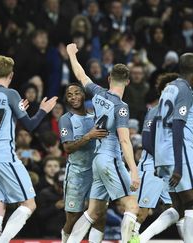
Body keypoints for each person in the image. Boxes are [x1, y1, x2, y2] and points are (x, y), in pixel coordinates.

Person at [0, 55, 57, 243]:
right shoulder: (11, 94)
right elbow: (29, 126)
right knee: (29, 204)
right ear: (11, 75)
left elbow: (0, 116)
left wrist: (15, 111)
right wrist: (43, 110)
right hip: (4, 155)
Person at [66, 43, 140, 243]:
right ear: (128, 82)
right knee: (132, 206)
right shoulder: (121, 107)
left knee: (93, 212)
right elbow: (125, 140)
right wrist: (133, 169)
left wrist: (71, 54)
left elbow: (81, 75)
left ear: (109, 79)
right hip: (110, 158)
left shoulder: (98, 93)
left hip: (97, 160)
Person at [154, 53, 193, 243]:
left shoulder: (168, 88)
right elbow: (177, 126)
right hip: (179, 151)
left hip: (163, 151)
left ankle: (140, 239)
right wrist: (178, 166)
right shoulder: (184, 90)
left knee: (178, 207)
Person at [59, 82, 108, 243]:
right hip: (77, 174)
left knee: (100, 215)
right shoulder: (66, 120)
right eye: (69, 95)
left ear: (84, 95)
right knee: (73, 217)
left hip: (96, 174)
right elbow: (68, 148)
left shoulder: (95, 117)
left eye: (77, 93)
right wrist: (89, 136)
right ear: (66, 99)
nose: (73, 97)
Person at [134, 73, 180, 243]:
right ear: (161, 90)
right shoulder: (154, 111)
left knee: (176, 209)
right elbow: (146, 141)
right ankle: (130, 239)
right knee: (141, 211)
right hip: (152, 165)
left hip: (169, 166)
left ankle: (141, 239)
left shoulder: (179, 113)